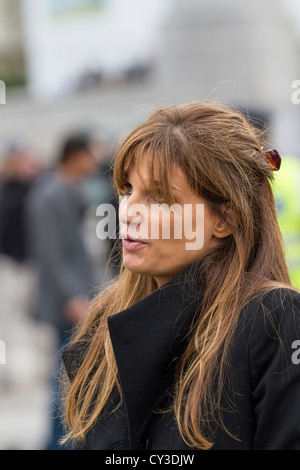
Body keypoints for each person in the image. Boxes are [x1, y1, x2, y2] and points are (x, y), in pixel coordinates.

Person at [61, 102, 300, 450]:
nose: (127, 212)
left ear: (225, 219)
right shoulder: (104, 321)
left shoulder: (274, 318)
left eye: (158, 197)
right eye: (127, 189)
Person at [26, 132, 98, 449]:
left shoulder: (70, 190)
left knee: (71, 378)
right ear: (74, 155)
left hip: (77, 297)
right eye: (90, 154)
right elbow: (50, 252)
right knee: (65, 381)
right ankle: (56, 443)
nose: (95, 160)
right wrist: (72, 296)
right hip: (66, 303)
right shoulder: (49, 194)